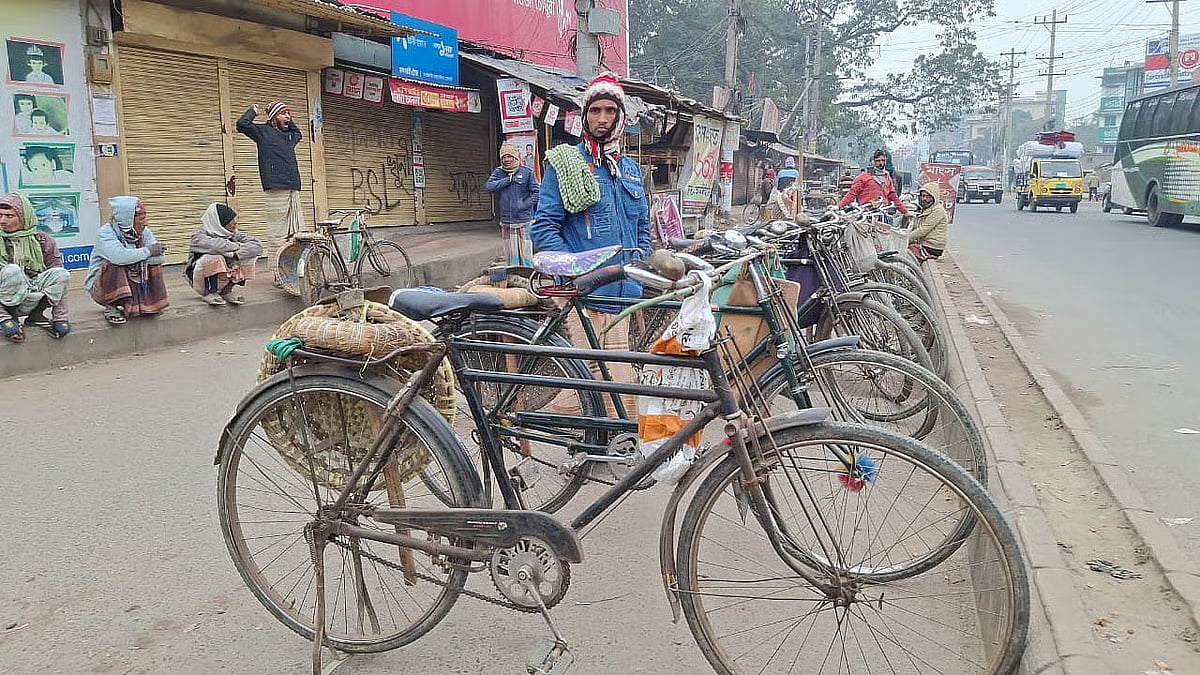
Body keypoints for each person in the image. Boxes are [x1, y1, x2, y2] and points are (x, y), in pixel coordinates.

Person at [531, 71, 650, 416]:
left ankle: (607, 438)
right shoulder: (566, 164)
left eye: (610, 111)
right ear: (584, 116)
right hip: (586, 293)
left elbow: (642, 225)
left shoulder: (629, 170)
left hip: (624, 293)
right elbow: (544, 228)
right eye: (595, 111)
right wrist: (574, 272)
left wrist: (641, 261)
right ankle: (556, 428)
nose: (602, 119)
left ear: (620, 117)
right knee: (596, 381)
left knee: (616, 381)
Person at [236, 100, 302, 285]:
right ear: (273, 117)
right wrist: (253, 111)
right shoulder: (262, 132)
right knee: (277, 236)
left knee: (295, 235)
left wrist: (287, 118)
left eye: (289, 113)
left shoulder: (290, 136)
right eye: (283, 114)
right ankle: (277, 274)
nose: (288, 117)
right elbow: (242, 125)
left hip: (293, 188)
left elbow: (298, 133)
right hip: (275, 189)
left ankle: (292, 273)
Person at [85, 196, 170, 325]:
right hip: (101, 287)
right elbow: (119, 257)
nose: (146, 223)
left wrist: (135, 257)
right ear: (128, 220)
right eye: (141, 219)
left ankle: (148, 304)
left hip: (132, 280)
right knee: (115, 263)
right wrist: (147, 252)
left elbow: (160, 257)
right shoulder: (105, 233)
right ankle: (112, 306)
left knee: (153, 266)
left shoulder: (144, 232)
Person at [0, 193, 71, 341]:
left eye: (9, 216)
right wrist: (3, 318)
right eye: (0, 215)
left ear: (24, 217)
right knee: (12, 271)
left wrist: (60, 317)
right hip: (5, 298)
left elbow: (61, 282)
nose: (3, 220)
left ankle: (36, 315)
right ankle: (9, 317)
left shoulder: (42, 240)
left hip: (31, 291)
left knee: (61, 274)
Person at [185, 203, 264, 306]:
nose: (235, 222)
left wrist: (236, 255)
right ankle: (209, 293)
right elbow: (217, 246)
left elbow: (257, 245)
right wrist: (238, 245)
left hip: (223, 276)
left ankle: (226, 291)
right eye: (230, 220)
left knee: (248, 256)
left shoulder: (231, 232)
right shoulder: (199, 236)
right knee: (214, 257)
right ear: (220, 222)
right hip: (199, 278)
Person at [485, 142, 540, 267]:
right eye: (504, 157)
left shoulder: (527, 172)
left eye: (509, 156)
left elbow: (536, 193)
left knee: (526, 256)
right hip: (506, 222)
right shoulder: (498, 172)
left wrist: (523, 205)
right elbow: (489, 187)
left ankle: (527, 276)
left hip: (523, 221)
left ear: (515, 156)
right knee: (511, 256)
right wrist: (507, 180)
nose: (506, 159)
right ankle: (514, 275)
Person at [839, 149, 909, 214]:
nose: (881, 163)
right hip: (866, 214)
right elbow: (852, 193)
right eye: (878, 161)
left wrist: (905, 212)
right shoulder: (863, 177)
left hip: (883, 213)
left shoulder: (887, 177)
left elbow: (894, 197)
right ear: (872, 162)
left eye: (883, 160)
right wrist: (840, 206)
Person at [907, 183, 949, 261]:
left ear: (933, 197)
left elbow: (923, 230)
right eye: (923, 196)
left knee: (906, 254)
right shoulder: (926, 209)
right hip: (925, 243)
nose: (924, 199)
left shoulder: (938, 211)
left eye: (927, 196)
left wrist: (905, 238)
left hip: (932, 246)